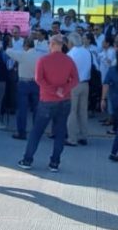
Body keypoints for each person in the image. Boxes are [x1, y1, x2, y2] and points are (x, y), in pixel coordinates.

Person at [18, 34, 78, 172]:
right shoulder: (69, 60)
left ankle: (27, 160)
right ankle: (54, 163)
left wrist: (53, 90)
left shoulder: (43, 60)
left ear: (52, 44)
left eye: (50, 43)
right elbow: (75, 79)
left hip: (47, 100)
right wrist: (63, 89)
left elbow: (39, 79)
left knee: (37, 131)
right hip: (64, 100)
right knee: (60, 132)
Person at [7, 37, 42, 140]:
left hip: (23, 83)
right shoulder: (39, 56)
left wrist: (9, 44)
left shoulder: (22, 55)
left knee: (22, 109)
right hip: (36, 83)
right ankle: (37, 132)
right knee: (37, 109)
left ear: (25, 46)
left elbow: (8, 51)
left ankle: (21, 132)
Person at [65, 33, 93, 146]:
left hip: (73, 84)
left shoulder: (70, 54)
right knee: (83, 111)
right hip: (85, 83)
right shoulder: (87, 52)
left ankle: (72, 138)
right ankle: (83, 135)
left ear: (71, 42)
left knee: (72, 111)